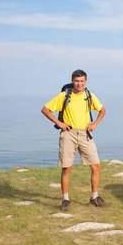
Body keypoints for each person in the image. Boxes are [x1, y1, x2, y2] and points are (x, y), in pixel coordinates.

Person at [41, 69, 109, 211]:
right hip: (68, 133)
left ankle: (94, 197)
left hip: (85, 133)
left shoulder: (89, 95)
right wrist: (59, 123)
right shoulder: (64, 95)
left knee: (96, 166)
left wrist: (94, 124)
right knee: (67, 168)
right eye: (77, 81)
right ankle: (65, 200)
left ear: (86, 81)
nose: (79, 84)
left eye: (82, 81)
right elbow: (45, 109)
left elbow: (102, 110)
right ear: (72, 81)